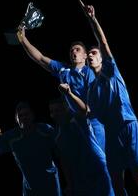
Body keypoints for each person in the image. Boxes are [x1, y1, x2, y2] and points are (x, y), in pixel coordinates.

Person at [79, 0, 138, 196]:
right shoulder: (92, 89)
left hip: (128, 126)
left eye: (93, 53)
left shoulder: (111, 71)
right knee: (116, 184)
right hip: (112, 135)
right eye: (88, 54)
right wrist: (68, 94)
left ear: (102, 58)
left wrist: (92, 20)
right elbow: (88, 113)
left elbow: (103, 43)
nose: (90, 55)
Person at [17, 22, 106, 152]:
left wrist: (69, 93)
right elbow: (40, 58)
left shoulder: (89, 73)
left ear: (85, 56)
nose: (73, 51)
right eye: (71, 50)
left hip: (93, 124)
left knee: (100, 165)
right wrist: (23, 39)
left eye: (77, 49)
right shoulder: (64, 69)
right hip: (73, 125)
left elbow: (88, 109)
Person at [49, 83, 114, 196]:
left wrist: (68, 93)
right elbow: (64, 161)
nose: (55, 114)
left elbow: (84, 110)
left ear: (66, 110)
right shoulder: (57, 135)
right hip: (80, 180)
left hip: (99, 173)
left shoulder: (79, 121)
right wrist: (69, 184)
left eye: (58, 110)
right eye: (52, 111)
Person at [0, 101, 62, 196]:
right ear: (16, 119)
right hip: (30, 188)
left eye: (26, 114)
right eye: (20, 115)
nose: (24, 117)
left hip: (51, 184)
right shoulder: (12, 136)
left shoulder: (45, 129)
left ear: (32, 116)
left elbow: (62, 149)